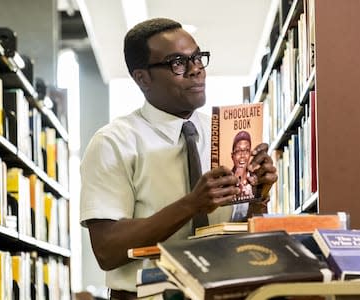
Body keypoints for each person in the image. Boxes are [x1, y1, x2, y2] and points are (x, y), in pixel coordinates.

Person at [79, 17, 277, 299]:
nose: (196, 70)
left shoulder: (226, 134)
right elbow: (107, 250)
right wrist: (191, 204)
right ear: (142, 78)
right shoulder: (113, 142)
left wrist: (258, 199)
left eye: (197, 58)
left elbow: (245, 238)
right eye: (178, 63)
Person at [231, 130, 255, 199]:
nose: (242, 155)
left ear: (250, 154)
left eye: (246, 150)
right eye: (238, 151)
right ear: (232, 156)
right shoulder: (225, 182)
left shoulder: (256, 180)